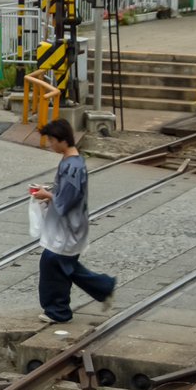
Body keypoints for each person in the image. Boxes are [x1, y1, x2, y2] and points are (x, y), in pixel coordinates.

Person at [31, 118, 116, 324]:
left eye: (51, 140)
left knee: (53, 262)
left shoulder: (72, 166)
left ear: (62, 140)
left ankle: (58, 310)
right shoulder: (73, 162)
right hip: (70, 226)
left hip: (68, 227)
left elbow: (67, 199)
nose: (50, 145)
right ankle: (104, 287)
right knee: (64, 265)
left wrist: (47, 195)